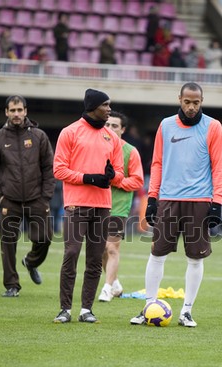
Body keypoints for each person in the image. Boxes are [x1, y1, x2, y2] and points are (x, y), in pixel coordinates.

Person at [130, 82, 222, 327]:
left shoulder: (213, 127)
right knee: (157, 253)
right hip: (168, 199)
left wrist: (217, 202)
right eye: (187, 102)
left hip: (200, 200)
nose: (191, 107)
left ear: (201, 101)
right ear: (179, 100)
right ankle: (149, 307)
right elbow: (157, 163)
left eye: (196, 102)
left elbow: (218, 167)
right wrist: (152, 198)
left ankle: (186, 311)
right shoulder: (165, 125)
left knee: (195, 258)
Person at [52, 89, 124, 324]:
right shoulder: (69, 132)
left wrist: (112, 176)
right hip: (75, 205)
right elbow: (59, 169)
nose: (109, 109)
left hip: (102, 206)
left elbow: (120, 175)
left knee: (94, 259)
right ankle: (64, 309)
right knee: (71, 253)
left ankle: (86, 309)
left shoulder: (112, 138)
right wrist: (90, 178)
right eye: (105, 105)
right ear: (93, 106)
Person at [0, 95, 55, 297]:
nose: (16, 114)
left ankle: (30, 262)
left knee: (45, 237)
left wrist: (46, 196)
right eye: (12, 110)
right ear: (6, 112)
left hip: (37, 198)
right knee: (8, 243)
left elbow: (49, 168)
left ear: (26, 111)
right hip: (9, 200)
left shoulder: (39, 136)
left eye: (19, 110)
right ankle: (12, 286)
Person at [98, 111, 144, 302]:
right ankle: (115, 282)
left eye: (114, 126)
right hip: (97, 205)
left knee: (112, 248)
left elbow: (137, 181)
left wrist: (116, 181)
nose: (109, 129)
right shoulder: (95, 148)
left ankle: (107, 288)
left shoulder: (130, 151)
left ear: (122, 129)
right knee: (100, 249)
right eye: (107, 125)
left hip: (118, 207)